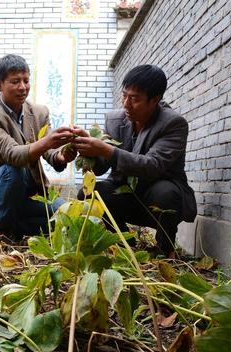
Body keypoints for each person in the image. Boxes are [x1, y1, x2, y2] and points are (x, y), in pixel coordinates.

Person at [71, 64, 196, 256]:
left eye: (134, 99)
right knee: (90, 193)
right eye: (124, 95)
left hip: (156, 200)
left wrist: (106, 150)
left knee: (166, 193)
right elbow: (101, 169)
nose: (126, 104)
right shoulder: (115, 120)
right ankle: (123, 245)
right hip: (126, 193)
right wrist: (88, 149)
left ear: (155, 100)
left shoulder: (173, 124)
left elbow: (152, 166)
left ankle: (165, 249)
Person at [0, 54, 77, 239]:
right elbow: (13, 154)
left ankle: (15, 226)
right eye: (15, 81)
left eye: (26, 80)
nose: (22, 87)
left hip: (31, 194)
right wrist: (48, 141)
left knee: (67, 216)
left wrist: (62, 156)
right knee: (13, 170)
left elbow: (50, 151)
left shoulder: (39, 112)